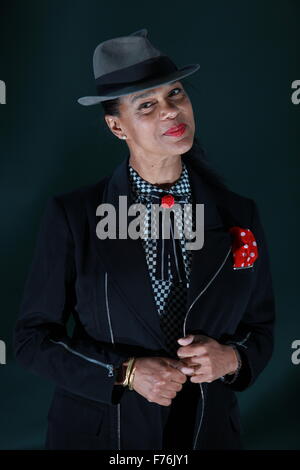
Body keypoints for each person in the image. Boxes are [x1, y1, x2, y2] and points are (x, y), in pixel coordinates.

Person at [13, 28, 276, 450]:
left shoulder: (238, 214)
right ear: (117, 126)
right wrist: (128, 372)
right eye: (147, 105)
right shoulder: (74, 215)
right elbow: (32, 340)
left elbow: (260, 327)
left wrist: (233, 358)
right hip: (104, 435)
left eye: (175, 95)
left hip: (207, 433)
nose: (171, 112)